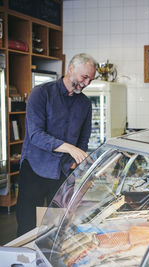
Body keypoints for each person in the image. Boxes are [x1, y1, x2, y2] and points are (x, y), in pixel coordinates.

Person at [16, 53, 97, 236]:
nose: (86, 84)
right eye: (84, 77)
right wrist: (70, 148)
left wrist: (76, 160)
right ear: (70, 69)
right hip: (34, 170)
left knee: (57, 228)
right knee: (27, 228)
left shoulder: (85, 104)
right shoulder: (41, 93)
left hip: (63, 173)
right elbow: (36, 135)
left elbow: (83, 139)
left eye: (90, 80)